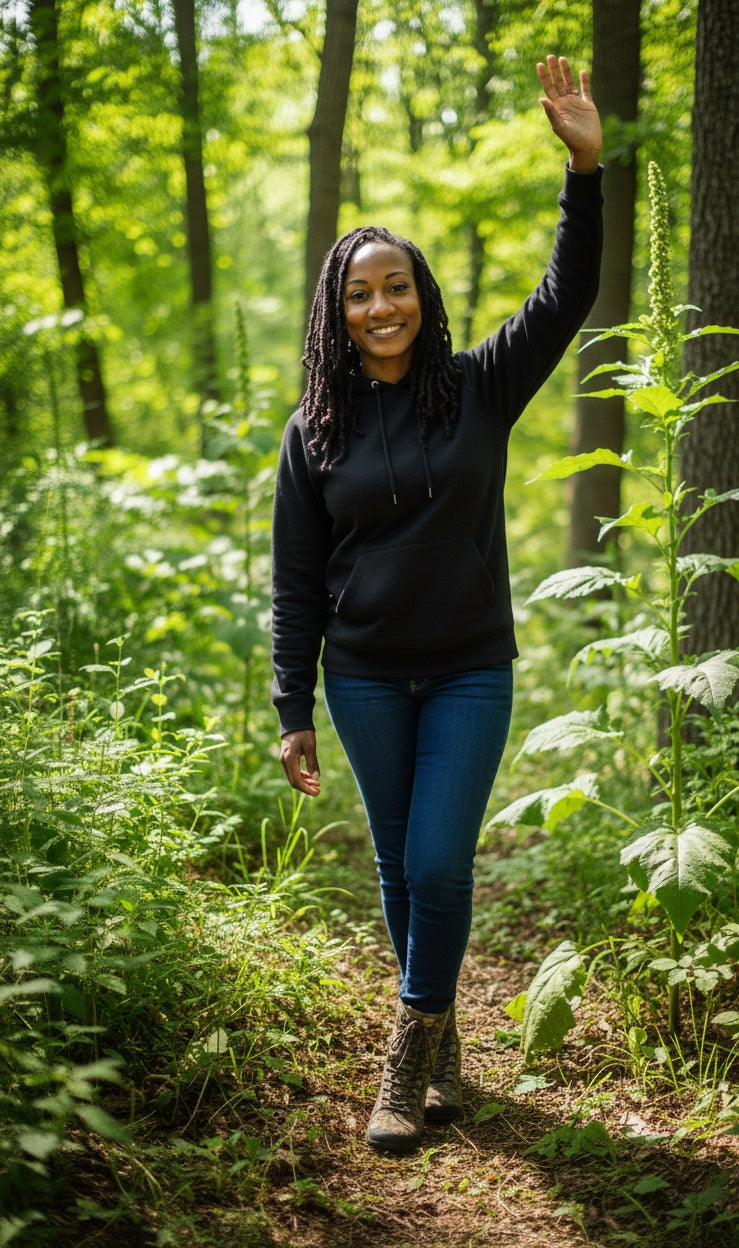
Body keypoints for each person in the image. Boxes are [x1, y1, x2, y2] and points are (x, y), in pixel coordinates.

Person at [271, 55, 603, 1154]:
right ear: (337, 308)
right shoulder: (312, 429)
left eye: (396, 285)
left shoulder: (477, 386)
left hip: (468, 666)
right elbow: (295, 574)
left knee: (434, 864)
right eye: (360, 291)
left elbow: (565, 298)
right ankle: (445, 1034)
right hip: (361, 675)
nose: (381, 305)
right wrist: (290, 706)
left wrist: (583, 169)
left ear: (423, 295)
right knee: (392, 864)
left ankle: (404, 1063)